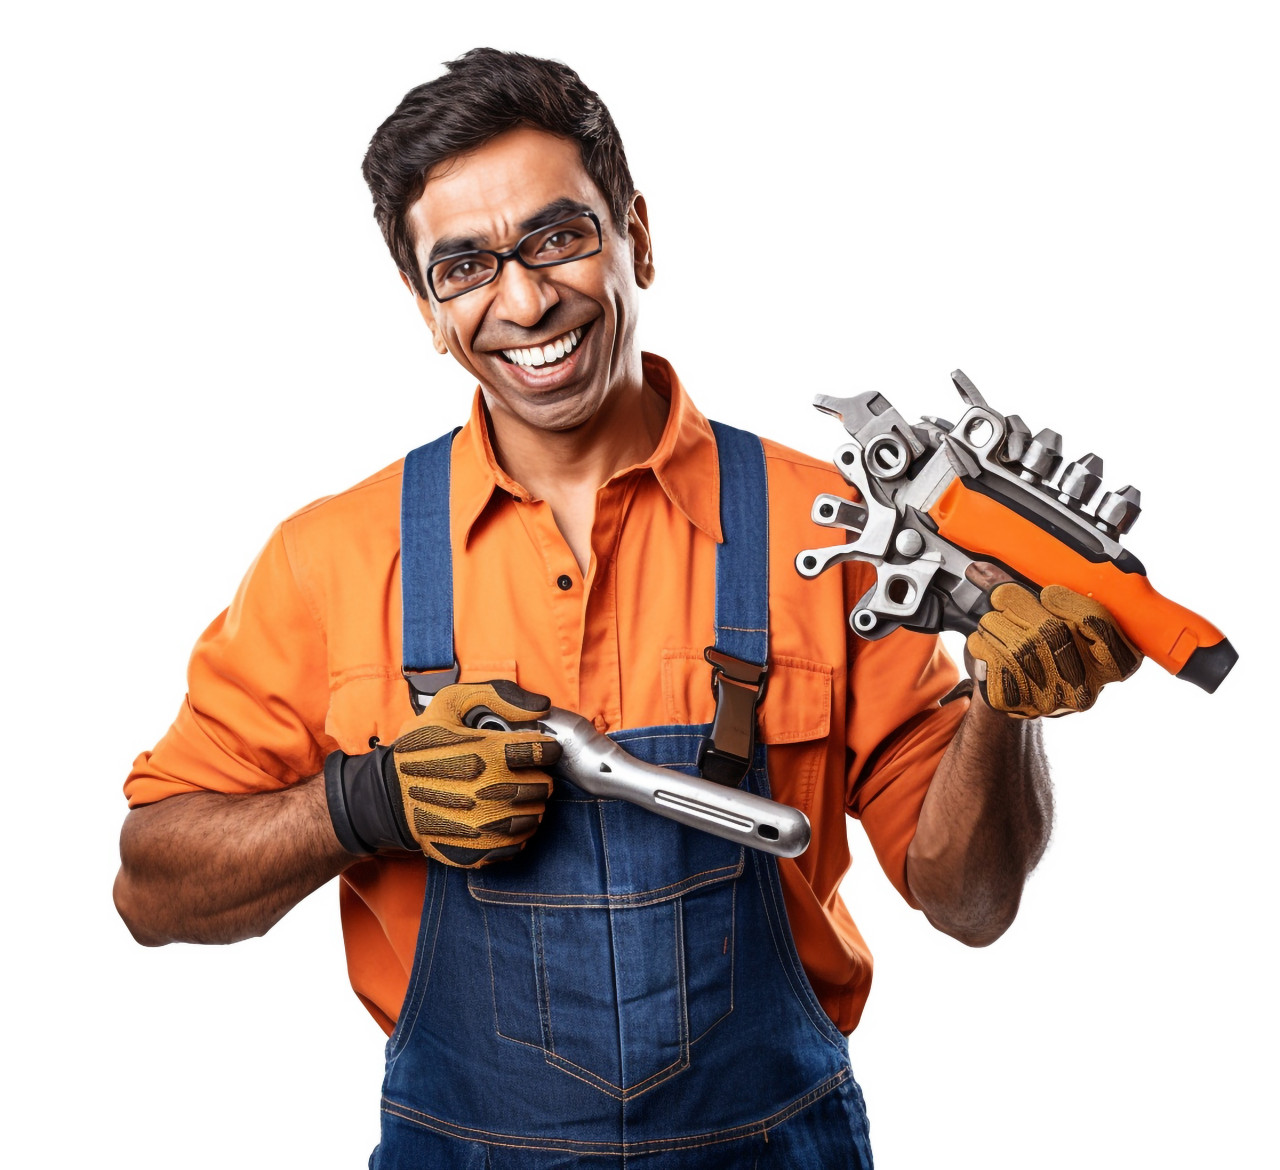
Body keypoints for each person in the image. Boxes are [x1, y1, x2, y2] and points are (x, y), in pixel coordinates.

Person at [113, 48, 1140, 1168]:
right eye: (463, 266)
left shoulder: (825, 532)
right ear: (423, 305)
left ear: (635, 235)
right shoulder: (331, 561)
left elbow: (969, 900)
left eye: (558, 236)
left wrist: (1003, 698)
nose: (523, 298)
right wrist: (361, 805)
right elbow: (151, 886)